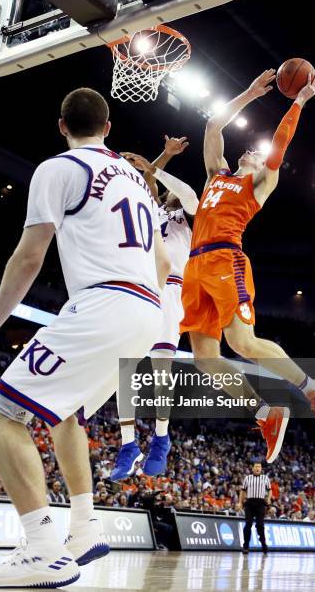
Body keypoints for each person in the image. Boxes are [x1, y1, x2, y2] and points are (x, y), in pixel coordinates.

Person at [0, 87, 170, 588]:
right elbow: (162, 264)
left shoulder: (60, 168)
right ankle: (84, 526)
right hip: (148, 309)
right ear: (109, 127)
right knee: (64, 412)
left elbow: (30, 256)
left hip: (107, 302)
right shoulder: (140, 182)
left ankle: (42, 549)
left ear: (61, 126)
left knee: (1, 413)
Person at [174, 70, 315, 462]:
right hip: (194, 266)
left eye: (255, 153)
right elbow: (214, 125)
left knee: (242, 342)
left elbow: (279, 145)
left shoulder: (260, 183)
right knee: (205, 359)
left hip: (225, 257)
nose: (250, 151)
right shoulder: (217, 174)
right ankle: (266, 413)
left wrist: (298, 103)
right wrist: (248, 92)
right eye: (248, 150)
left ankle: (313, 387)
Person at [111, 135, 199, 480]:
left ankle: (161, 438)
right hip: (139, 286)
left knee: (161, 372)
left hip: (171, 292)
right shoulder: (152, 209)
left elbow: (188, 195)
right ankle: (128, 443)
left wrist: (158, 165)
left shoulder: (193, 217)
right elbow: (146, 182)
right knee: (125, 369)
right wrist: (161, 157)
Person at [237, 462, 271, 554]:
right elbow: (243, 491)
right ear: (252, 468)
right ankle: (246, 545)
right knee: (248, 523)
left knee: (260, 525)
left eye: (259, 467)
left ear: (261, 469)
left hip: (260, 503)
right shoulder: (247, 478)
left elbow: (269, 490)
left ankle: (263, 543)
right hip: (250, 503)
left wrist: (268, 498)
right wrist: (240, 502)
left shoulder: (265, 478)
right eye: (256, 466)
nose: (257, 468)